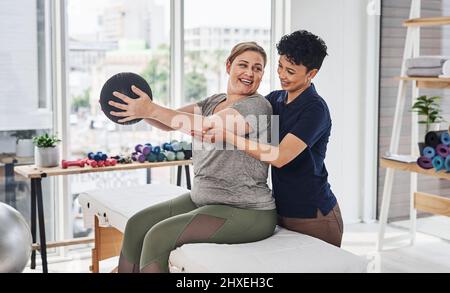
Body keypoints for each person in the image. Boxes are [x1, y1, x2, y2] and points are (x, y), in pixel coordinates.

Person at [108, 42, 277, 273]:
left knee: (158, 236)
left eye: (258, 68)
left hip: (247, 210)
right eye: (243, 65)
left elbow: (206, 128)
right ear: (229, 66)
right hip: (204, 198)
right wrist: (135, 110)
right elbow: (169, 123)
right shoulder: (213, 102)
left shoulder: (257, 106)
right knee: (137, 225)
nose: (250, 73)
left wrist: (150, 109)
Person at [194, 30, 343, 247]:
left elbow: (280, 157)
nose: (282, 75)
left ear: (312, 74)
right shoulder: (276, 99)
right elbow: (246, 109)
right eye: (280, 66)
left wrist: (228, 136)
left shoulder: (315, 110)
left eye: (290, 71)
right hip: (281, 209)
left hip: (314, 215)